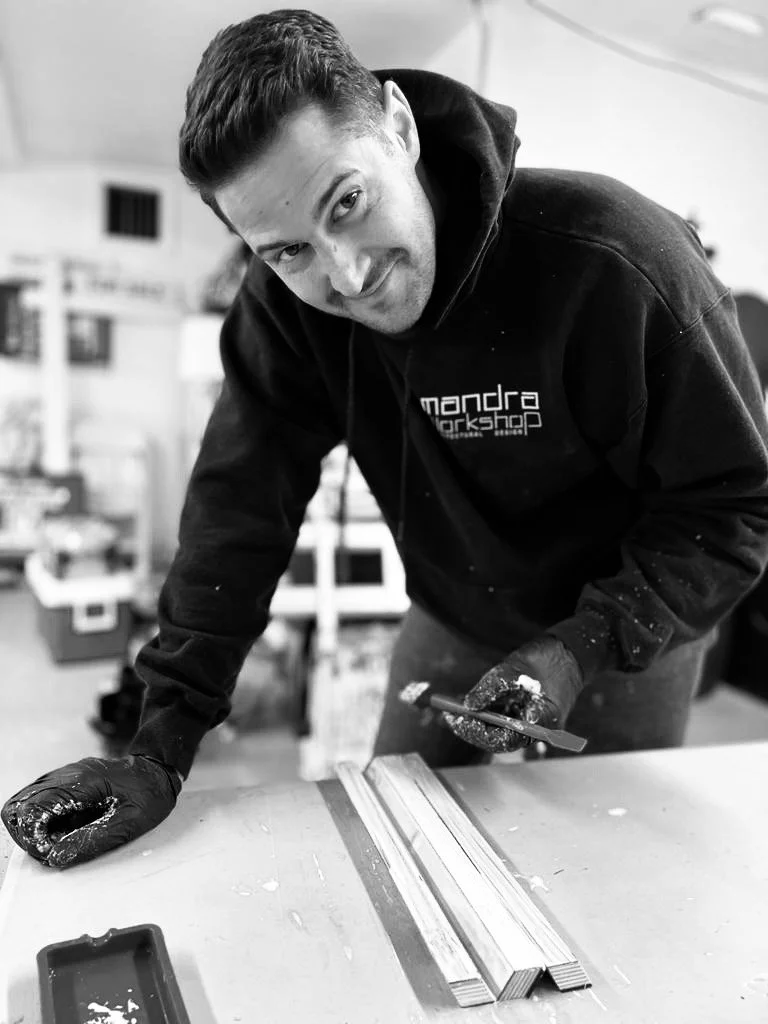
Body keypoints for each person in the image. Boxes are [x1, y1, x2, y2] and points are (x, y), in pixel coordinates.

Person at [4, 9, 768, 869]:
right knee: (402, 845)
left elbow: (736, 507)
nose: (348, 273)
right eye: (289, 251)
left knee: (601, 870)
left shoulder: (617, 264)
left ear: (399, 129)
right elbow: (238, 508)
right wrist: (161, 740)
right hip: (453, 614)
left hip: (629, 629)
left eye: (348, 202)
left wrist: (579, 645)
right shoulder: (286, 313)